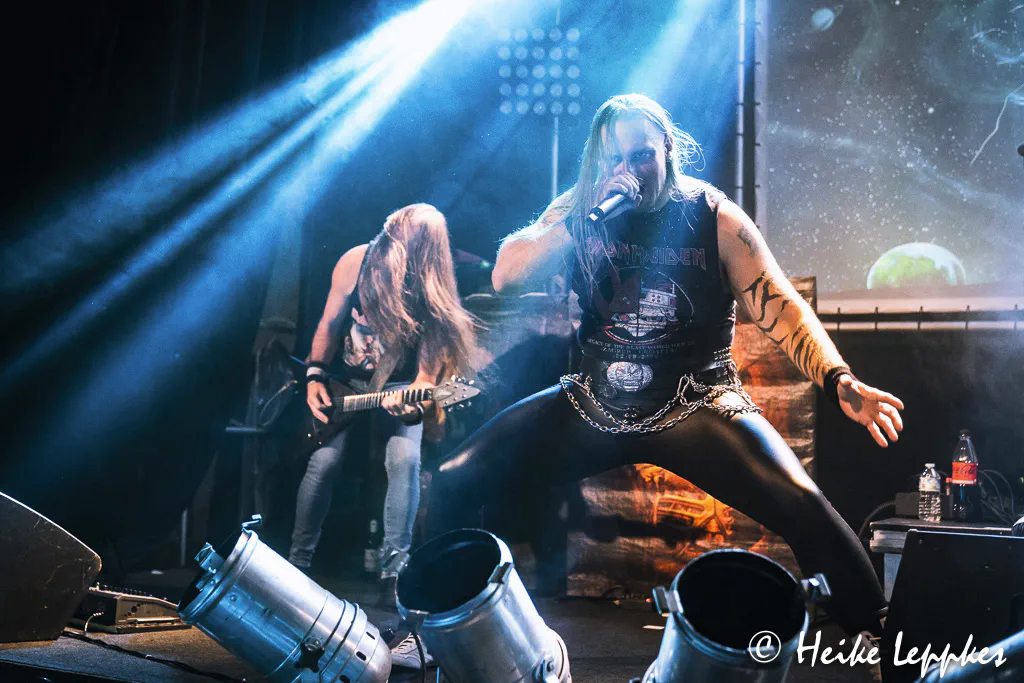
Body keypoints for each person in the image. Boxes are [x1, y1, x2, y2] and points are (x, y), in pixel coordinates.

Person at [424, 94, 904, 638]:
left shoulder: (713, 215)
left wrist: (838, 377)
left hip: (695, 403)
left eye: (641, 156)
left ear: (667, 150)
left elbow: (780, 304)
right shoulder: (580, 209)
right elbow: (505, 276)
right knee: (452, 481)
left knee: (802, 504)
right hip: (595, 401)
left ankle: (886, 643)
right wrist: (582, 219)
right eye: (614, 159)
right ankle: (443, 631)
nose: (628, 171)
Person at [293, 203, 481, 603]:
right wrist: (313, 377)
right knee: (323, 463)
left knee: (405, 460)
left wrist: (414, 402)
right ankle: (297, 564)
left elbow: (426, 380)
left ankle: (395, 574)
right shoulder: (355, 262)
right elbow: (328, 324)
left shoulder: (431, 287)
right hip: (344, 383)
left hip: (398, 385)